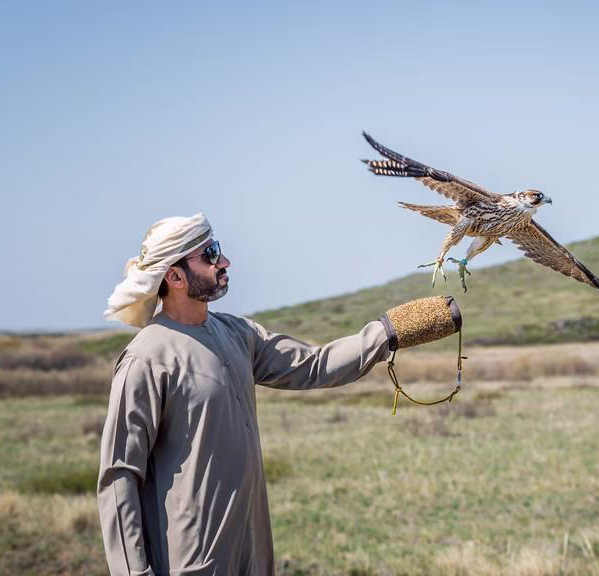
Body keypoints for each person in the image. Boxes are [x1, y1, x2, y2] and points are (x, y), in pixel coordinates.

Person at [97, 213, 460, 576]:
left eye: (218, 249)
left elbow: (313, 364)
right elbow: (119, 475)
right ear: (174, 277)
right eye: (209, 254)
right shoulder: (147, 357)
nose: (224, 262)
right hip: (190, 559)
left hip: (251, 552)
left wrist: (387, 333)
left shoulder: (237, 334)